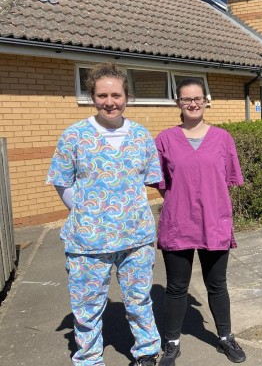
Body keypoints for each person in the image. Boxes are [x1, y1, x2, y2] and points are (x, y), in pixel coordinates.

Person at [46, 63, 162, 365]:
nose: (109, 102)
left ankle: (147, 353)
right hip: (88, 240)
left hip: (135, 238)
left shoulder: (141, 136)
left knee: (139, 301)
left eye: (116, 95)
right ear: (92, 97)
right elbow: (61, 182)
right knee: (87, 306)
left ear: (127, 96)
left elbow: (148, 180)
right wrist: (89, 213)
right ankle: (89, 359)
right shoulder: (74, 136)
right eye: (102, 95)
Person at [153, 78, 246, 365]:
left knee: (217, 284)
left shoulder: (222, 138)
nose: (192, 103)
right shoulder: (165, 140)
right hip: (178, 223)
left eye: (197, 98)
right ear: (177, 103)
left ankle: (225, 338)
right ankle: (171, 343)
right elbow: (162, 182)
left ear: (206, 100)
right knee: (176, 287)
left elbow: (226, 180)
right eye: (186, 99)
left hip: (213, 222)